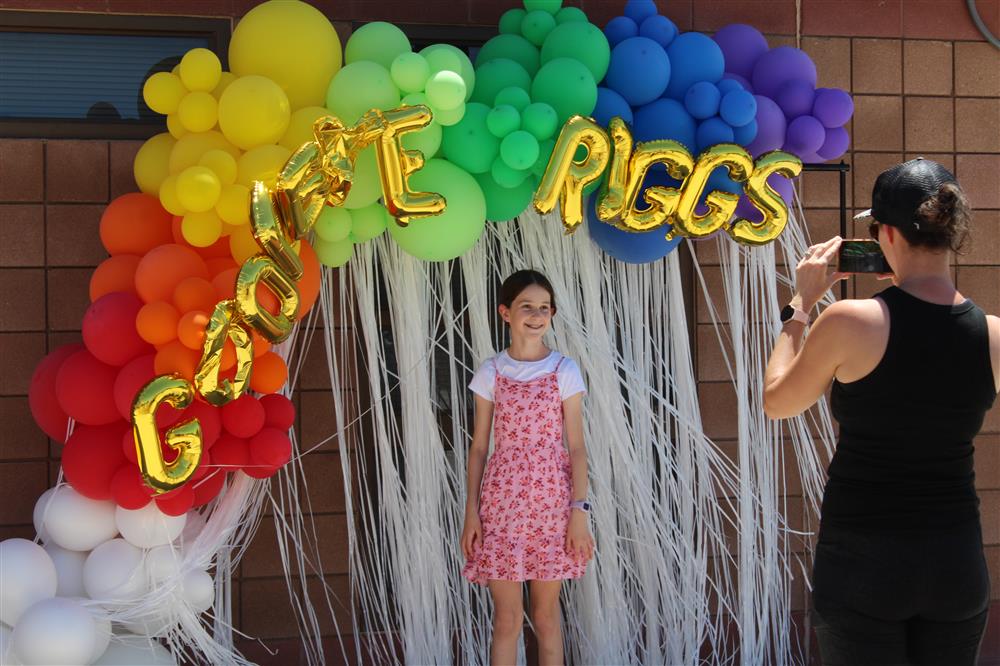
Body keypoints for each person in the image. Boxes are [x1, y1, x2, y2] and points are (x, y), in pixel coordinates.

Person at [763, 157, 1000, 665]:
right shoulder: (994, 336)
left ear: (885, 235)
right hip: (955, 561)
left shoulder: (851, 320)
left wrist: (801, 306)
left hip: (863, 564)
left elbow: (778, 401)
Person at [461, 269, 595, 666]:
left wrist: (579, 511)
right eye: (526, 307)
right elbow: (479, 447)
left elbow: (577, 448)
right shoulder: (492, 371)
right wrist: (471, 511)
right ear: (506, 312)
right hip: (501, 507)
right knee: (506, 619)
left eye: (544, 307)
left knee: (546, 616)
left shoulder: (564, 370)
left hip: (552, 506)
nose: (537, 315)